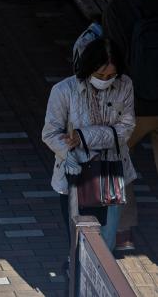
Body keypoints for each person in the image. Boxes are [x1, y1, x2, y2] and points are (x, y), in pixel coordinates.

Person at [43, 36, 136, 258]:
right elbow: (50, 133)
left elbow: (125, 129)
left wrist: (84, 137)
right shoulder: (64, 90)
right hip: (75, 177)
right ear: (87, 69)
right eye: (99, 75)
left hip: (112, 173)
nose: (105, 80)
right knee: (77, 240)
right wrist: (68, 154)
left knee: (107, 241)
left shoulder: (125, 85)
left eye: (111, 76)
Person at [103, 0, 158, 251]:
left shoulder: (120, 7)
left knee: (116, 158)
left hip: (134, 105)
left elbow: (111, 59)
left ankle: (122, 231)